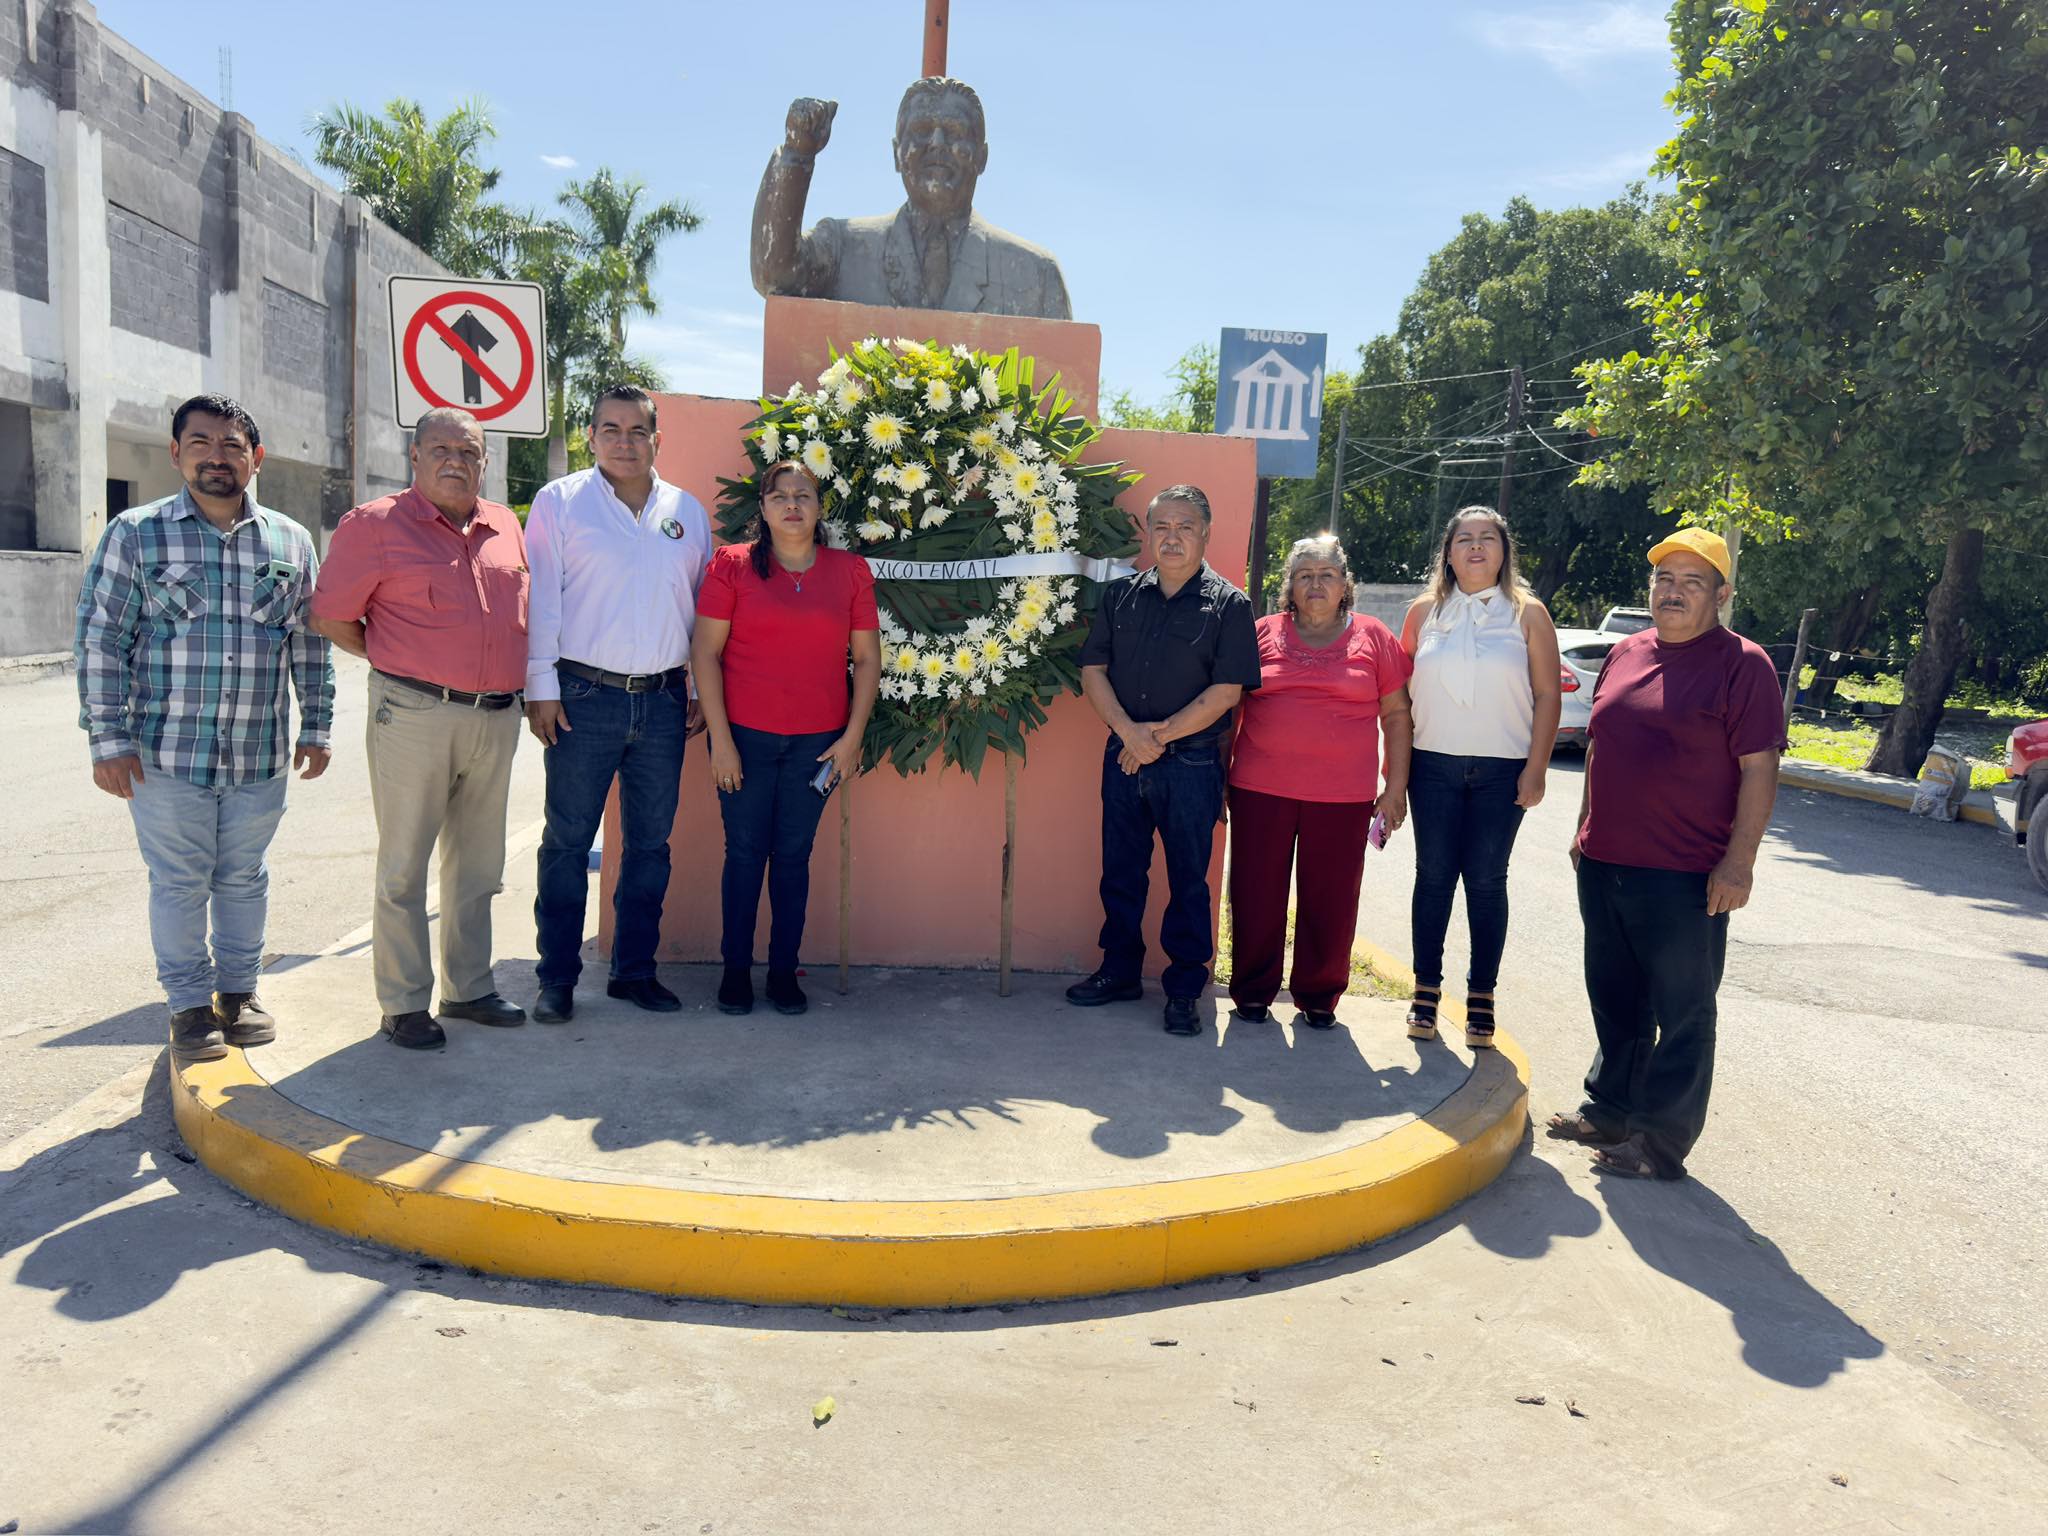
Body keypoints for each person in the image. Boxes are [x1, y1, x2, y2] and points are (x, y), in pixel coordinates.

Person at [73, 394, 334, 1064]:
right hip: (165, 754)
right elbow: (102, 640)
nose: (217, 458)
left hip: (259, 751)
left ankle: (239, 993)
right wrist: (108, 740)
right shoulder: (136, 534)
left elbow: (309, 643)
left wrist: (317, 725)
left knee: (245, 876)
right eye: (201, 444)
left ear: (256, 458)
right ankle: (189, 1005)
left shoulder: (290, 541)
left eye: (232, 446)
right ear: (176, 452)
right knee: (180, 881)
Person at [1551, 527, 1783, 1180]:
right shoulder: (1626, 652)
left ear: (1721, 595)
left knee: (1682, 1011)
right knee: (1616, 998)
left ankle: (1659, 1144)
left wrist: (1740, 863)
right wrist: (1582, 826)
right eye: (1663, 580)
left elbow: (1760, 767)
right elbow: (1600, 743)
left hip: (1685, 875)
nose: (1673, 593)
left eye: (1691, 582)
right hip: (1605, 862)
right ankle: (1612, 1110)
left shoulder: (1744, 665)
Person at [309, 407, 529, 1051]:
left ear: (484, 460)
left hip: (496, 717)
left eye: (469, 451)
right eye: (440, 449)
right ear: (415, 457)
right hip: (414, 714)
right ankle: (404, 1003)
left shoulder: (506, 525)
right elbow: (333, 617)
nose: (455, 460)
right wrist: (398, 663)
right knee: (404, 866)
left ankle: (468, 988)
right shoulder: (375, 526)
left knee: (479, 864)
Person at [524, 385, 712, 1024]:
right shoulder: (561, 503)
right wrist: (540, 687)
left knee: (651, 847)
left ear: (658, 439)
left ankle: (634, 971)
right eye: (610, 429)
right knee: (568, 843)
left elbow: (698, 613)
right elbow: (543, 599)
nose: (624, 442)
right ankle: (556, 980)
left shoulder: (687, 511)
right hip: (582, 697)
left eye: (637, 431)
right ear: (592, 436)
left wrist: (694, 691)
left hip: (662, 702)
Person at [1067, 485, 1262, 1037]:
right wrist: (1130, 734)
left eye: (1184, 527)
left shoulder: (1229, 605)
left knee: (1188, 882)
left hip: (1193, 766)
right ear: (1148, 533)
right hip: (1125, 757)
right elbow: (1093, 672)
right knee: (1122, 873)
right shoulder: (1121, 597)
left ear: (1205, 533)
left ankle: (1183, 990)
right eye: (1161, 527)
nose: (1172, 537)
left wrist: (1158, 738)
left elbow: (1227, 691)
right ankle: (1119, 971)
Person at [692, 461, 881, 1017]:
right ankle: (735, 973)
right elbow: (705, 652)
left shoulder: (849, 571)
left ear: (820, 508)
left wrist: (852, 739)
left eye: (804, 495)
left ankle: (781, 973)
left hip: (817, 745)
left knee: (794, 857)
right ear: (764, 508)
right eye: (780, 496)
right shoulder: (732, 566)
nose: (792, 504)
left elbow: (867, 660)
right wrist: (721, 742)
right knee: (745, 855)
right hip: (743, 739)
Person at [1227, 535, 1412, 1029]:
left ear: (1345, 584)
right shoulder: (1262, 632)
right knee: (1255, 892)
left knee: (1330, 899)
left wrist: (1395, 788)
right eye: (1304, 575)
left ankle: (1318, 994)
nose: (1315, 583)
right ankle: (1252, 990)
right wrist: (1218, 779)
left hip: (1343, 796)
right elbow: (1232, 709)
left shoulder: (1374, 637)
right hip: (1259, 788)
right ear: (1289, 585)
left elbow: (1397, 715)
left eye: (1326, 574)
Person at [1398, 506, 1562, 1049]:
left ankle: (1481, 996)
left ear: (1503, 550)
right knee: (1434, 876)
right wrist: (1393, 776)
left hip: (1501, 770)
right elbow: (1397, 698)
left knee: (1488, 882)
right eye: (1463, 539)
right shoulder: (1424, 613)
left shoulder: (1528, 614)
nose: (1474, 548)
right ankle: (1425, 990)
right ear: (1447, 552)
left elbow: (1547, 695)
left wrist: (1536, 768)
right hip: (1432, 765)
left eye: (1486, 539)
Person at [751, 78, 1072, 318]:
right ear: (896, 153)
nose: (936, 143)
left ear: (982, 157)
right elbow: (776, 278)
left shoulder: (1037, 275)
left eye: (955, 132)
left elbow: (1066, 397)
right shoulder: (842, 247)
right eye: (920, 130)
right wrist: (797, 155)